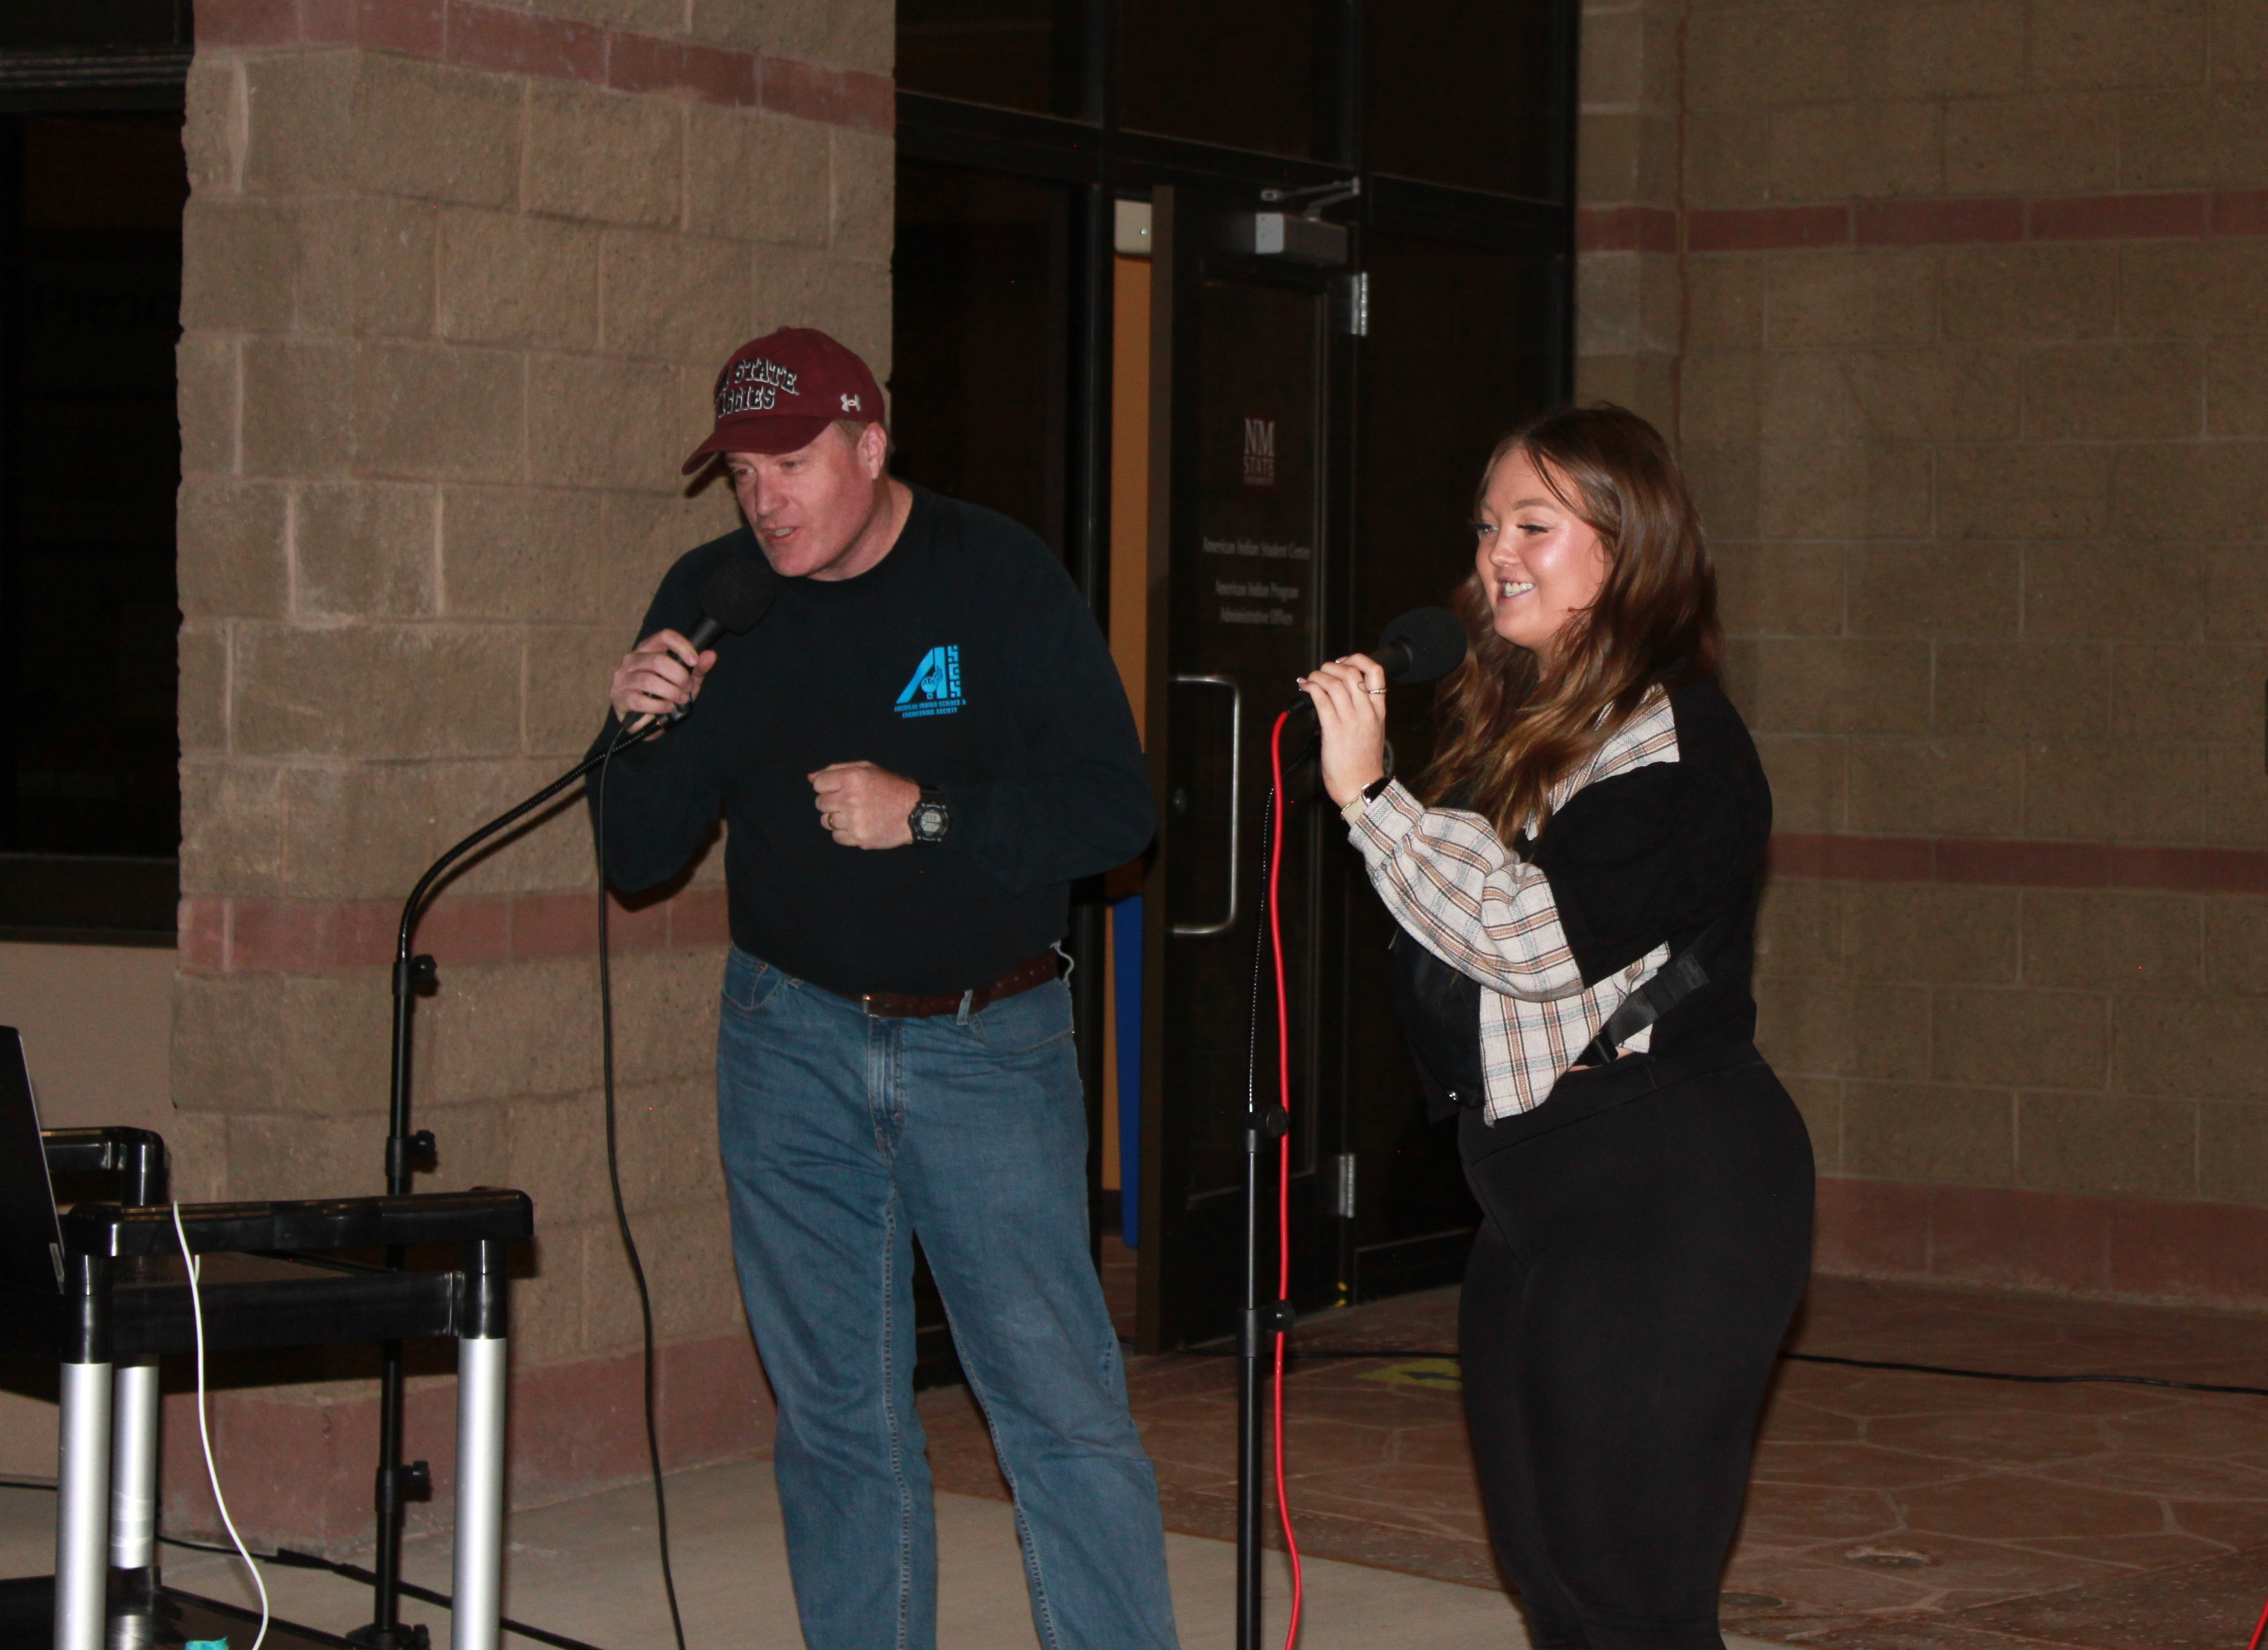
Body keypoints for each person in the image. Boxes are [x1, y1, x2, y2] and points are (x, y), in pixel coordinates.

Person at [594, 326, 1178, 1650]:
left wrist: (930, 818)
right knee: (837, 1421)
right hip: (786, 1044)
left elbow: (1116, 811)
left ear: (871, 444)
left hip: (989, 1043)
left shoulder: (998, 577)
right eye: (743, 473)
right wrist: (639, 733)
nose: (765, 500)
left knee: (1057, 1409)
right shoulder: (714, 598)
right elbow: (637, 861)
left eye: (792, 463)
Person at [1297, 403, 1814, 1650]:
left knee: (1634, 1595)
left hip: (1671, 1189)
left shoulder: (1680, 742)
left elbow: (1534, 939)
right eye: (1486, 528)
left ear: (1628, 551)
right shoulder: (1526, 726)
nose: (1496, 555)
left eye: (1535, 524)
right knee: (1559, 1583)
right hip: (1538, 1200)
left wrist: (1371, 798)